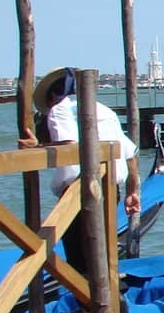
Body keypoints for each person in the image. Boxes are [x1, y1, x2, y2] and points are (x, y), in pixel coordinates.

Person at [18, 67, 141, 280]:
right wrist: (132, 192)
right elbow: (130, 154)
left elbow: (70, 145)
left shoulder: (59, 109)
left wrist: (34, 149)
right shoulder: (105, 111)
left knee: (79, 259)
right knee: (101, 250)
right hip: (112, 188)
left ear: (53, 95)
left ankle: (89, 301)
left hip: (79, 191)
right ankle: (108, 294)